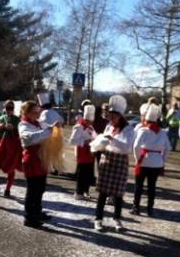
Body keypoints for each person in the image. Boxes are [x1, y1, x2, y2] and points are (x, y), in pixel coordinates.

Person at [94, 95, 134, 232]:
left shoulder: (128, 129)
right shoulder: (109, 126)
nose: (110, 119)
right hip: (107, 158)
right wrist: (98, 144)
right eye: (110, 116)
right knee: (103, 193)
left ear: (120, 116)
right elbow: (104, 140)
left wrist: (112, 140)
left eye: (113, 116)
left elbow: (127, 148)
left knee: (118, 194)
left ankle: (117, 220)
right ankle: (98, 219)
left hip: (120, 161)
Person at [18, 100, 58, 228]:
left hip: (41, 159)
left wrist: (55, 126)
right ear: (27, 112)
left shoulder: (37, 123)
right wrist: (48, 131)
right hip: (32, 159)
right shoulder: (23, 125)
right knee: (32, 190)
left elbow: (48, 126)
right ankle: (29, 218)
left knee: (40, 188)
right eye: (34, 112)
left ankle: (37, 212)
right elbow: (29, 138)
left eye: (38, 111)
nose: (37, 114)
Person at [132, 104, 170, 216]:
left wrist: (138, 158)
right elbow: (168, 148)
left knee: (138, 186)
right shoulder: (163, 132)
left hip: (144, 161)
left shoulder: (143, 131)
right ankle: (150, 209)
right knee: (152, 187)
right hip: (157, 163)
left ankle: (136, 207)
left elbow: (136, 146)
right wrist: (162, 159)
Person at [69, 104, 97, 200]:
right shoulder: (79, 126)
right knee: (82, 174)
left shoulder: (91, 127)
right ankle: (78, 192)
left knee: (88, 174)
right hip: (82, 153)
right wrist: (85, 142)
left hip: (90, 154)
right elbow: (72, 140)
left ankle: (85, 191)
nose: (91, 121)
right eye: (89, 119)